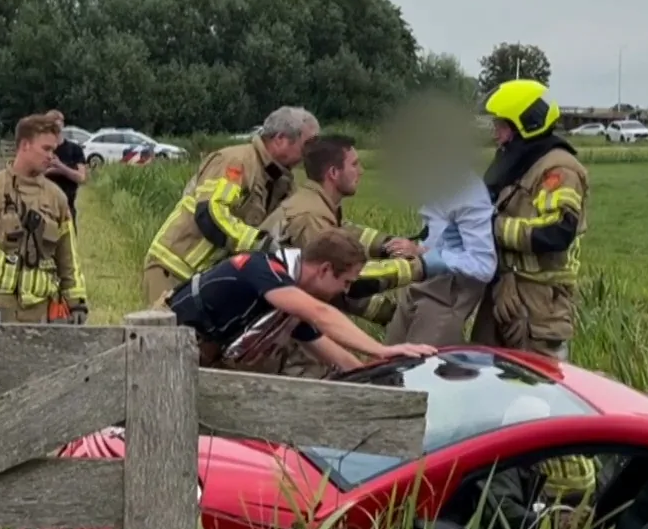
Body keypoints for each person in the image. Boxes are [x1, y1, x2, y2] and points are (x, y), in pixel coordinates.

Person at [167, 231, 438, 373]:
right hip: (165, 345)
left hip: (198, 356)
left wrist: (374, 377)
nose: (344, 291)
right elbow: (321, 314)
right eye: (345, 282)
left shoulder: (289, 307)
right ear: (324, 270)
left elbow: (337, 355)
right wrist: (382, 350)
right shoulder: (263, 269)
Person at [142, 105, 315, 308]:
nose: (309, 155)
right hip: (175, 268)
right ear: (280, 139)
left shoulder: (281, 182)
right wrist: (259, 243)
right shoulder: (236, 162)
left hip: (209, 279)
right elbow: (211, 213)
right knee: (166, 336)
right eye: (307, 146)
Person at [473, 79, 589, 359]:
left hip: (540, 307)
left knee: (537, 394)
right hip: (505, 293)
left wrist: (491, 227)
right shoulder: (519, 163)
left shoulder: (558, 169)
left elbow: (556, 232)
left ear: (524, 125)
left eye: (501, 125)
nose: (495, 133)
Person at [259, 134, 421, 327]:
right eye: (354, 165)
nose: (360, 171)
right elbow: (341, 283)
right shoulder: (310, 216)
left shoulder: (316, 202)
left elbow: (347, 235)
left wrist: (388, 245)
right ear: (333, 173)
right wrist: (420, 268)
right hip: (271, 319)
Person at [0, 113, 87, 325]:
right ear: (25, 145)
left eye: (54, 150)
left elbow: (69, 256)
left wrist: (77, 302)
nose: (51, 156)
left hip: (40, 308)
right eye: (46, 149)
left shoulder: (57, 198)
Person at [380, 98, 499, 346]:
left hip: (445, 298)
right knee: (390, 363)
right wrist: (416, 248)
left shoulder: (467, 192)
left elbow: (483, 264)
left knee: (424, 373)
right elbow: (440, 234)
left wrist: (426, 258)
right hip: (421, 287)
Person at [44, 109, 88, 217]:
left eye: (58, 121)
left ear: (62, 124)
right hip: (43, 209)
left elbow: (81, 178)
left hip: (67, 209)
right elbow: (30, 177)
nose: (55, 125)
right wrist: (48, 171)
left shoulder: (75, 149)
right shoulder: (41, 149)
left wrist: (61, 168)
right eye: (51, 122)